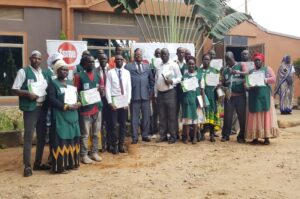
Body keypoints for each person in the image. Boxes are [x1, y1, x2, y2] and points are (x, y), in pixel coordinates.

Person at [12, 50, 51, 177]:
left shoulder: (44, 73)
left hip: (42, 108)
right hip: (31, 109)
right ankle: (27, 166)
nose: (37, 61)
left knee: (41, 137)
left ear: (41, 60)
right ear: (30, 58)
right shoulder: (23, 72)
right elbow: (14, 89)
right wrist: (27, 94)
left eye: (39, 59)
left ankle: (38, 163)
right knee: (29, 137)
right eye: (34, 58)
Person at [47, 60, 81, 173]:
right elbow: (51, 100)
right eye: (62, 69)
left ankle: (71, 164)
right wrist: (65, 107)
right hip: (60, 117)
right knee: (61, 141)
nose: (65, 71)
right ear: (57, 71)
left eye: (67, 70)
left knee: (72, 140)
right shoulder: (53, 83)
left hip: (73, 116)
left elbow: (77, 96)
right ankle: (59, 168)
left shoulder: (71, 83)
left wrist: (79, 102)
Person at [74, 55, 103, 163]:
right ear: (84, 64)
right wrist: (79, 101)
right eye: (89, 62)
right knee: (85, 134)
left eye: (93, 62)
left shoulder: (98, 75)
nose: (91, 64)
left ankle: (94, 152)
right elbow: (75, 92)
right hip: (85, 109)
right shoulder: (78, 76)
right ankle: (84, 155)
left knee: (96, 132)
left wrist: (101, 90)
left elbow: (102, 90)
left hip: (97, 107)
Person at [246, 53, 279, 144]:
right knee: (255, 116)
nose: (257, 62)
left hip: (265, 96)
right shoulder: (251, 71)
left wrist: (265, 79)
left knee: (265, 115)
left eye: (259, 60)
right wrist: (247, 86)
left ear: (262, 61)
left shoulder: (267, 69)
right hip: (254, 96)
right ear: (253, 62)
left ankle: (266, 137)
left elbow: (274, 79)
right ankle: (255, 137)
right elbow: (247, 82)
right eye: (255, 60)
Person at [125, 48, 154, 144]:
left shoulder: (147, 67)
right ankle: (135, 137)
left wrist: (150, 91)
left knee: (146, 117)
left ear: (142, 56)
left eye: (140, 55)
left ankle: (145, 135)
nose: (138, 56)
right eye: (137, 55)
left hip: (146, 96)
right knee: (134, 118)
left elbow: (151, 81)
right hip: (134, 96)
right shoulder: (128, 67)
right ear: (134, 56)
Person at [155, 48, 182, 144]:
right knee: (162, 116)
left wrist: (172, 81)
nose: (163, 56)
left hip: (170, 93)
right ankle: (163, 136)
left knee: (172, 116)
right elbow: (156, 80)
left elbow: (180, 77)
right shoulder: (158, 66)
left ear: (168, 55)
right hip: (160, 93)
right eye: (162, 55)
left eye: (165, 54)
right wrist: (155, 94)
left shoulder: (174, 65)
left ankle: (173, 136)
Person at [106, 55, 131, 154]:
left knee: (123, 125)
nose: (119, 61)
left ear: (123, 61)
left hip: (124, 101)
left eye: (121, 59)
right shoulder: (110, 72)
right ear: (115, 62)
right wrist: (109, 102)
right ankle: (114, 145)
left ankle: (121, 145)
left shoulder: (126, 73)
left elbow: (129, 88)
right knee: (113, 125)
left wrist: (128, 102)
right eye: (118, 60)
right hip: (114, 101)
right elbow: (107, 88)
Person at [221, 51, 247, 143]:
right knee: (227, 117)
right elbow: (223, 81)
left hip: (240, 96)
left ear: (233, 57)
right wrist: (221, 85)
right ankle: (225, 135)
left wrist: (238, 72)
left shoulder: (240, 65)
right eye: (226, 60)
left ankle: (241, 136)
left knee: (242, 117)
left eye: (229, 59)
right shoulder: (225, 70)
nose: (228, 62)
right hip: (229, 97)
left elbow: (248, 73)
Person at [198, 54, 221, 142]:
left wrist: (219, 83)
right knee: (203, 114)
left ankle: (211, 134)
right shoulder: (198, 71)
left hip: (212, 96)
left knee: (211, 113)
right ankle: (202, 133)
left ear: (210, 61)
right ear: (202, 60)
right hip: (201, 96)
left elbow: (219, 81)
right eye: (204, 59)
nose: (206, 61)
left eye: (207, 59)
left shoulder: (214, 71)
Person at [181, 56, 202, 144]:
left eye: (193, 64)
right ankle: (187, 137)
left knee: (195, 119)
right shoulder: (184, 76)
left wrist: (201, 101)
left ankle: (195, 137)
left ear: (195, 65)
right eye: (189, 64)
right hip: (186, 99)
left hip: (196, 99)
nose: (191, 65)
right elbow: (182, 89)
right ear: (187, 65)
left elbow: (201, 88)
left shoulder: (198, 75)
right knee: (187, 119)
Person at [96, 53, 113, 152]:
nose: (103, 60)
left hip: (109, 100)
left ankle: (110, 144)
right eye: (101, 59)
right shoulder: (95, 71)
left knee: (110, 123)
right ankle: (102, 145)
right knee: (100, 123)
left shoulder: (111, 71)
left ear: (107, 60)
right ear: (98, 60)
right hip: (99, 100)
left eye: (105, 59)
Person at [149, 48, 161, 137]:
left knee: (163, 113)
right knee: (155, 112)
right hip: (154, 90)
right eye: (156, 54)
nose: (158, 55)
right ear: (154, 54)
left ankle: (162, 131)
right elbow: (151, 77)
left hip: (163, 90)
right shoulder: (151, 64)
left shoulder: (165, 64)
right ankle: (154, 131)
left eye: (159, 54)